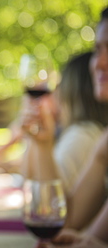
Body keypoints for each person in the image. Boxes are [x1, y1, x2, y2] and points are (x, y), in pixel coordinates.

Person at [52, 7, 108, 246]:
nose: (100, 63)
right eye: (98, 49)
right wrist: (41, 142)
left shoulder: (83, 135)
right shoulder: (105, 140)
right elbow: (64, 223)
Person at [21, 52, 108, 192]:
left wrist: (42, 144)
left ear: (72, 90)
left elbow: (46, 200)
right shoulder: (78, 133)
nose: (56, 92)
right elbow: (28, 179)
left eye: (60, 85)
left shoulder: (82, 136)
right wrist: (35, 139)